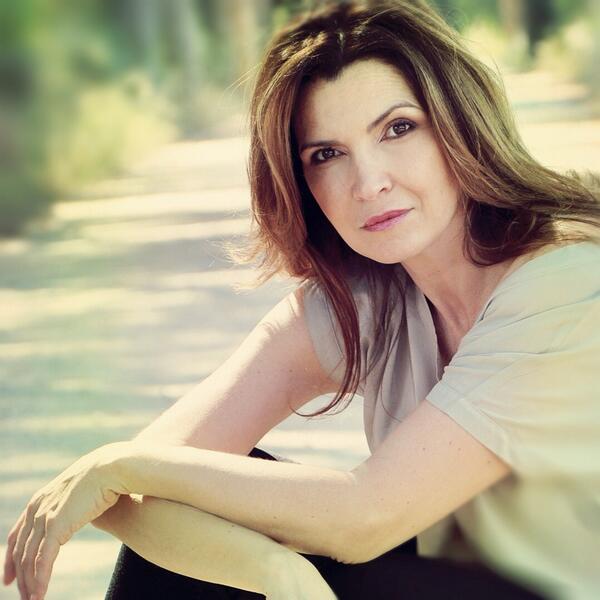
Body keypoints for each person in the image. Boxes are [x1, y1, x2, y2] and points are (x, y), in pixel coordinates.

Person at [3, 1, 600, 599]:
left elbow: (365, 518)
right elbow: (137, 494)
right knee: (196, 502)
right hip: (456, 582)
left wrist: (117, 465)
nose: (368, 183)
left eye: (398, 128)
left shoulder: (567, 285)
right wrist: (273, 571)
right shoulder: (368, 298)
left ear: (461, 124)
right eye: (326, 154)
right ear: (302, 184)